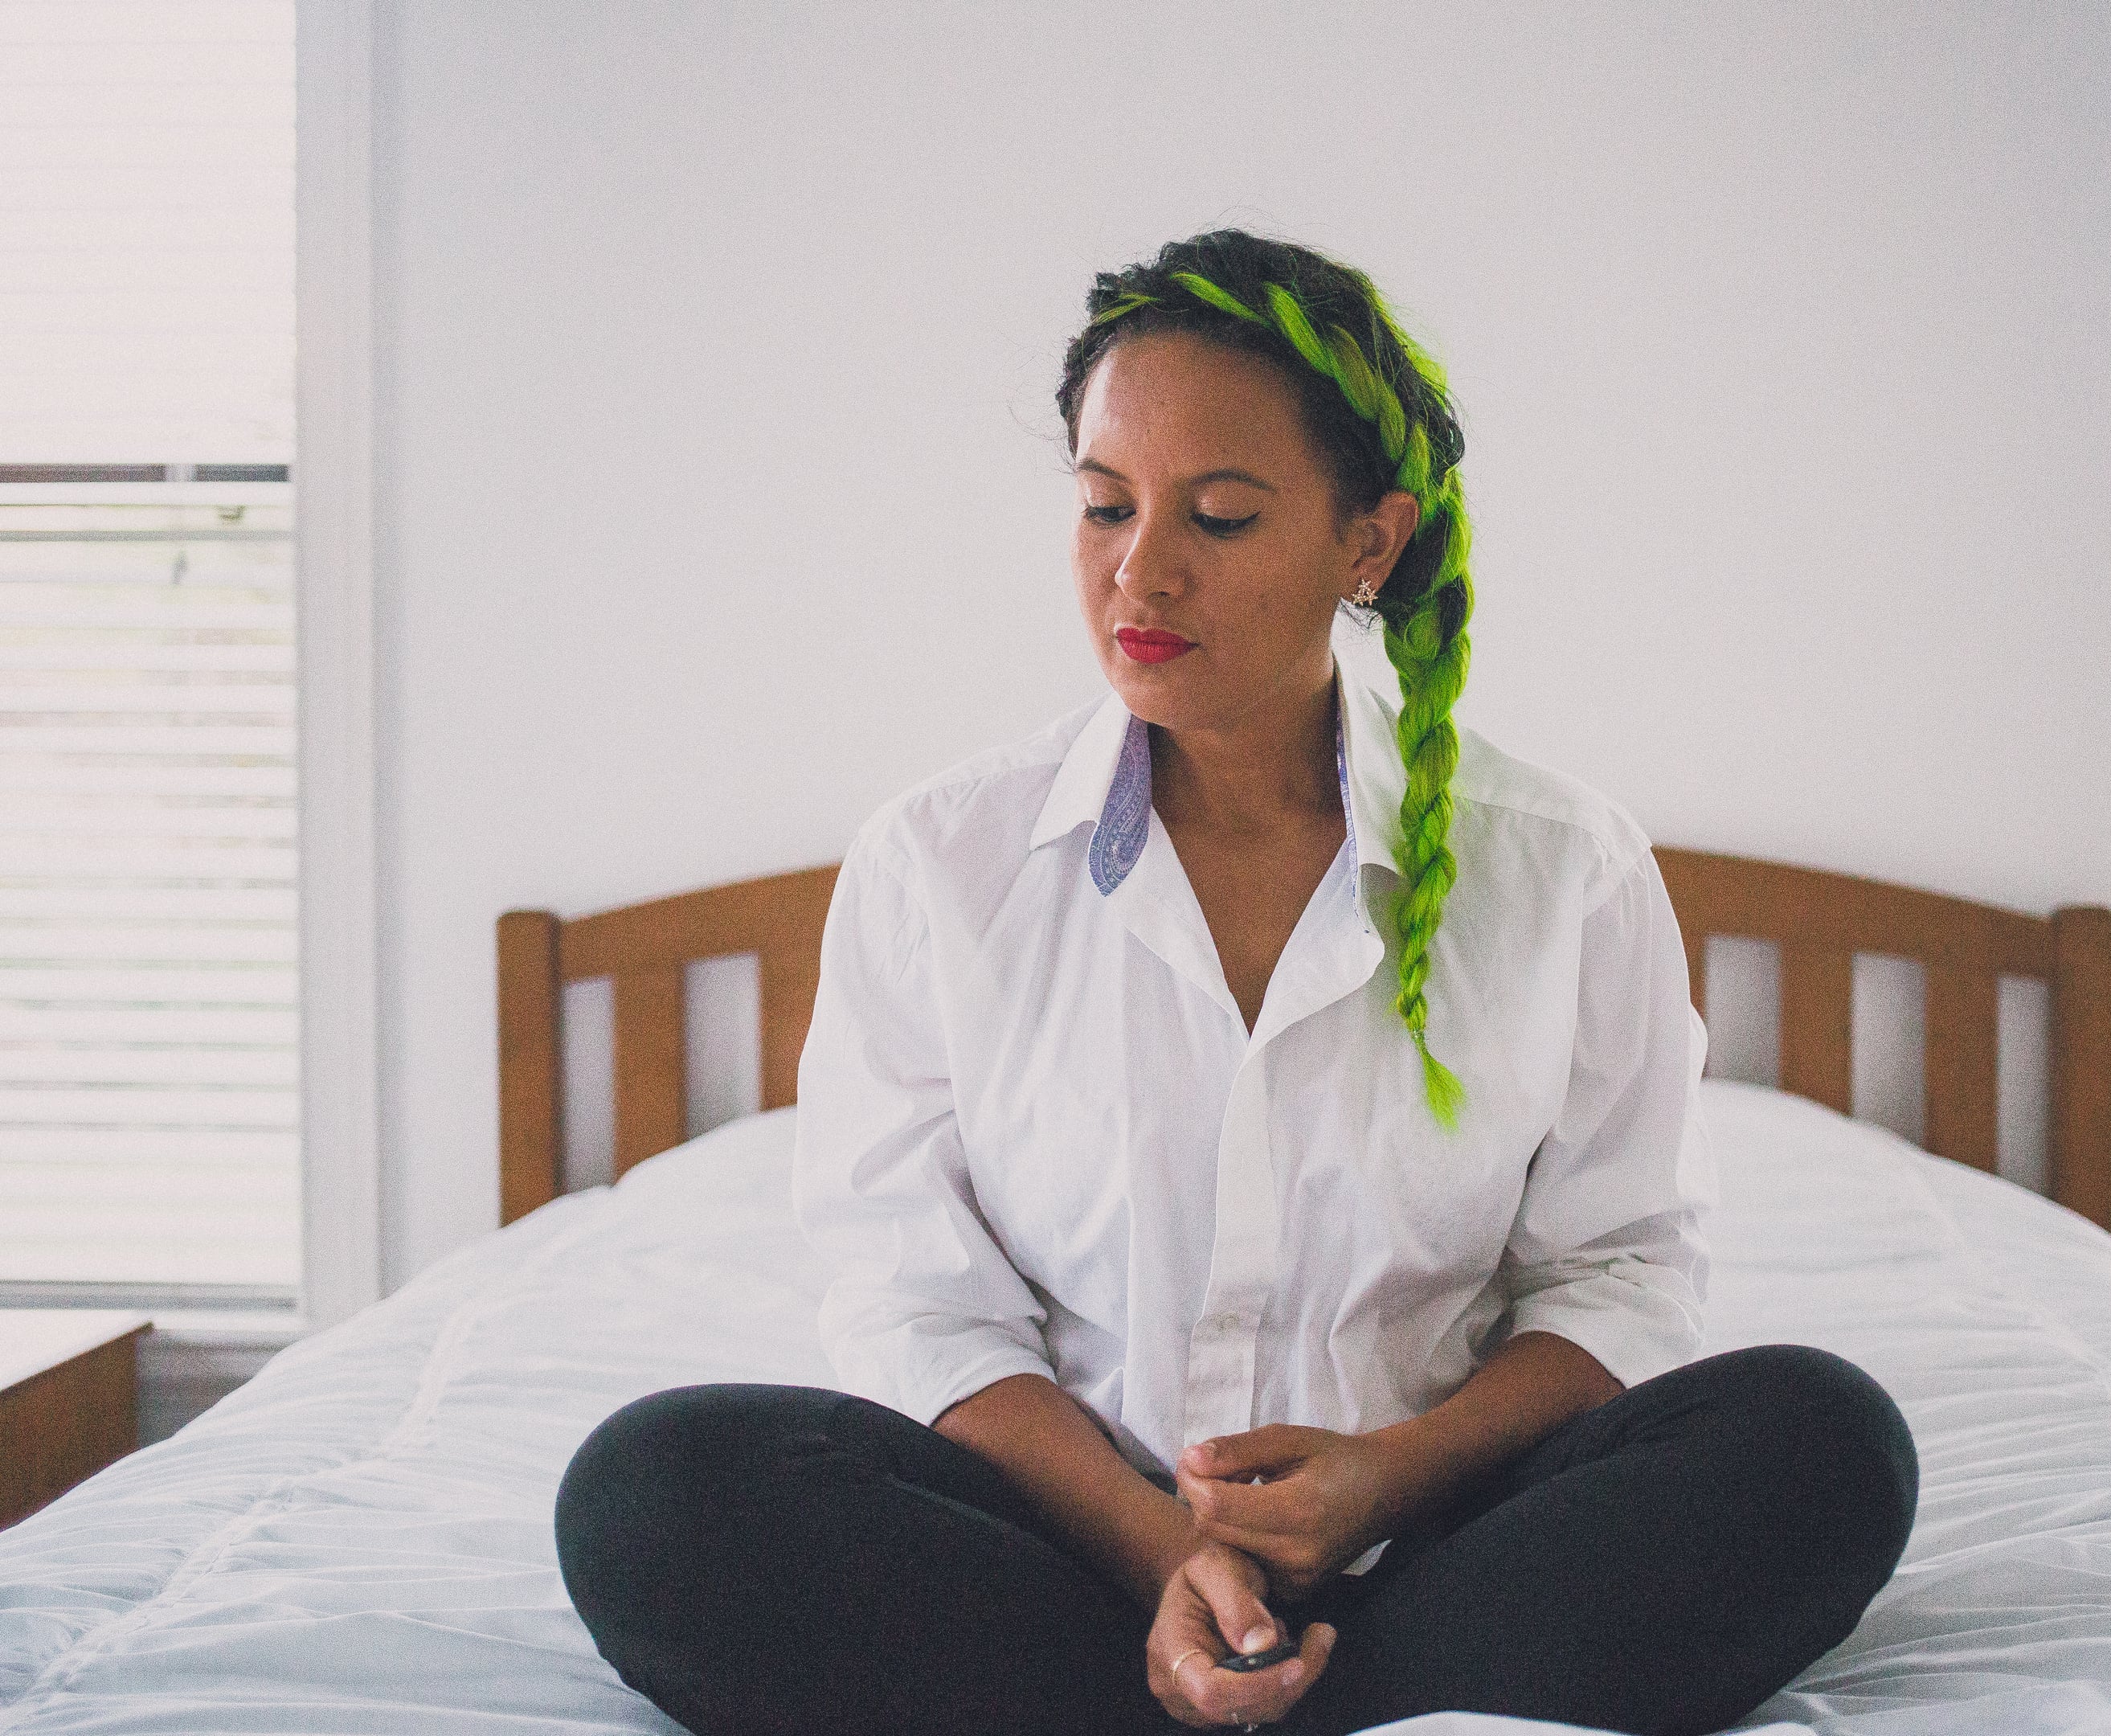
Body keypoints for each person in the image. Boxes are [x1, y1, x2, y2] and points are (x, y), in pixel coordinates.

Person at [553, 229, 1917, 1736]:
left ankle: (1258, 1691)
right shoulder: (938, 865)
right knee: (654, 1492)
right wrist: (1164, 1554)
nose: (1140, 570)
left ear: (1368, 544)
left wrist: (1384, 1479)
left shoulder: (1565, 870)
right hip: (1069, 1555)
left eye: (1220, 515)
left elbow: (1623, 1272)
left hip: (1444, 1549)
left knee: (1821, 1440)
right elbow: (914, 1298)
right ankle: (1313, 1696)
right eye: (1104, 505)